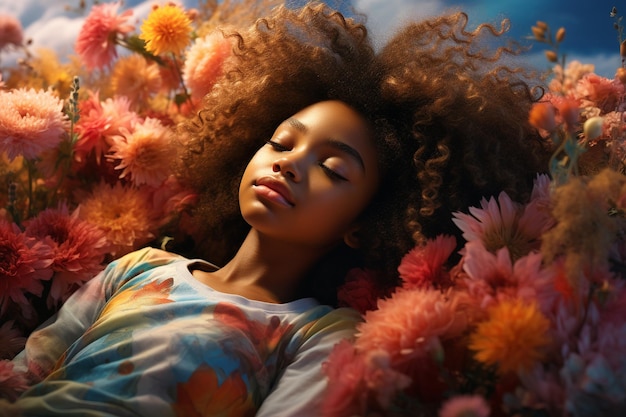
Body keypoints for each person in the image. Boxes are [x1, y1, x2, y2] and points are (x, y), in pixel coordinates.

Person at [2, 2, 551, 416]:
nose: (289, 165)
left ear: (366, 223)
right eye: (282, 143)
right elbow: (23, 374)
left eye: (334, 169)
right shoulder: (137, 267)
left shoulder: (320, 335)